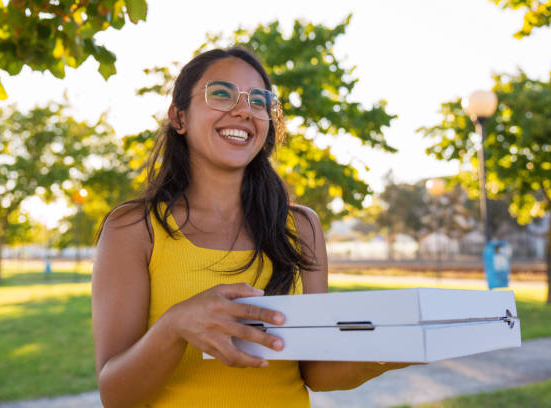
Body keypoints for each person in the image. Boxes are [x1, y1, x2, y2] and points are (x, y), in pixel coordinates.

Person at [92, 47, 411, 408]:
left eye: (259, 101)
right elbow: (116, 397)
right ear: (178, 117)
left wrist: (396, 349)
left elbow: (316, 371)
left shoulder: (301, 227)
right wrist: (175, 326)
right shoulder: (133, 228)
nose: (244, 110)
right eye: (222, 94)